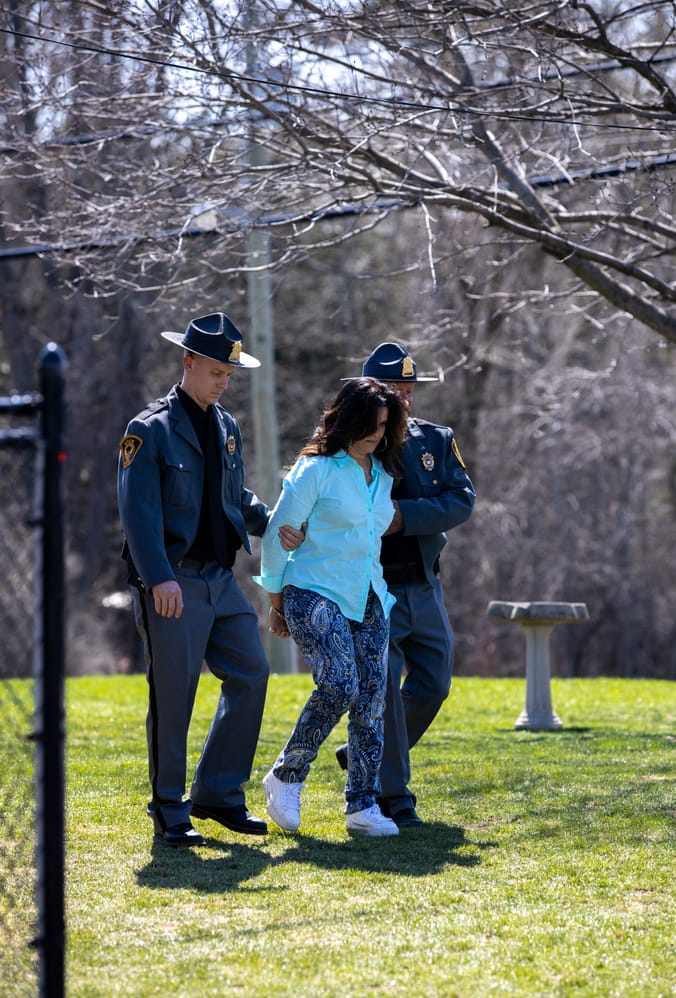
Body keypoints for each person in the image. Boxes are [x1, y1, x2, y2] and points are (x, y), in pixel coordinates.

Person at [117, 311, 303, 846]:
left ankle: (218, 795)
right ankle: (168, 806)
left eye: (230, 373)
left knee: (251, 671)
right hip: (171, 582)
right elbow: (139, 512)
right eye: (217, 371)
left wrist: (273, 524)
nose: (224, 381)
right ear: (189, 361)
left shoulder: (226, 427)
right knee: (174, 695)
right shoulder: (146, 430)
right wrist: (158, 580)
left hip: (221, 582)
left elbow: (233, 499)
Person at [253, 377, 407, 837]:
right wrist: (276, 604)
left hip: (370, 597)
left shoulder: (382, 476)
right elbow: (278, 536)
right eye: (368, 424)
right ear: (345, 419)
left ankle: (362, 806)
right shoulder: (315, 470)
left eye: (383, 425)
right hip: (312, 590)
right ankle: (286, 775)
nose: (376, 434)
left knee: (372, 700)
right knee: (340, 684)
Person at [335, 342, 475, 827]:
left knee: (434, 684)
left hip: (425, 584)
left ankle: (363, 753)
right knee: (385, 691)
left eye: (408, 389)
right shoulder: (353, 444)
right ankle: (395, 797)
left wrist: (404, 518)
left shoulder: (436, 439)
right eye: (394, 389)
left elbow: (461, 501)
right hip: (375, 588)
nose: (404, 398)